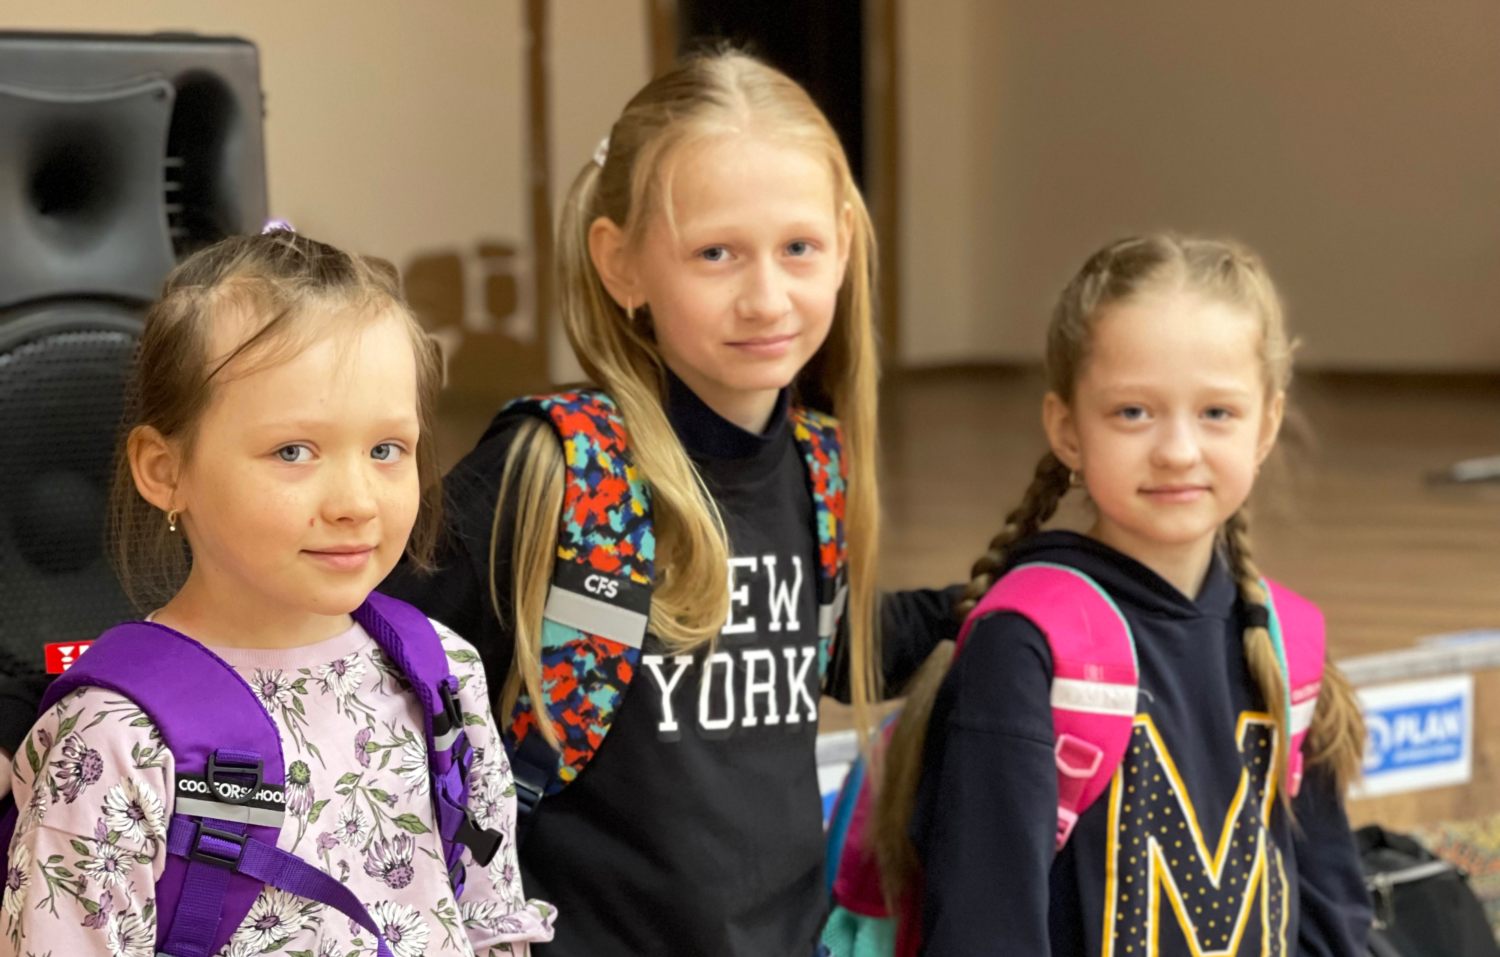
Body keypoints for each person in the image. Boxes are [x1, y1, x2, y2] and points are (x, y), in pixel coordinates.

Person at [383, 49, 958, 957]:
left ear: (845, 244)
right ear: (622, 265)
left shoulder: (819, 461)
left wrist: (986, 606)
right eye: (716, 253)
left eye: (799, 247)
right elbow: (374, 673)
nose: (766, 296)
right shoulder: (552, 472)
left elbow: (818, 648)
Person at [0, 230, 554, 956]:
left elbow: (489, 918)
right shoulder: (114, 739)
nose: (356, 499)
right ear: (165, 469)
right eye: (294, 451)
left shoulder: (442, 670)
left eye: (387, 449)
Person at [876, 235, 1371, 956]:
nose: (1177, 449)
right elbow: (988, 933)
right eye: (1133, 412)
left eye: (1217, 413)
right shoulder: (1026, 645)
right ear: (1067, 429)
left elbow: (1334, 922)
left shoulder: (1289, 641)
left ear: (1266, 425)